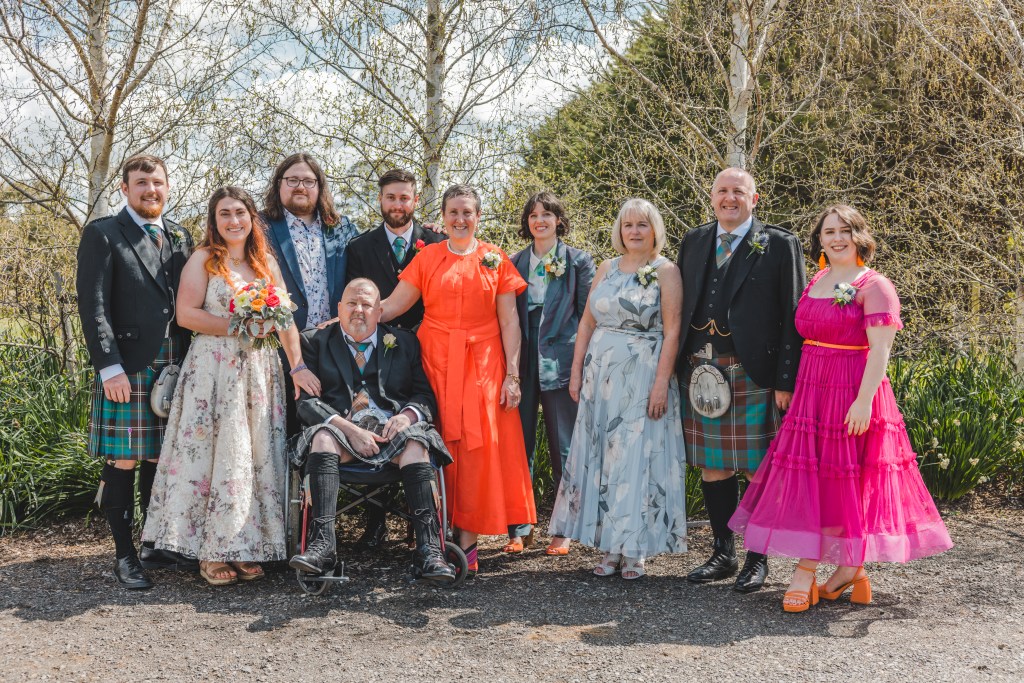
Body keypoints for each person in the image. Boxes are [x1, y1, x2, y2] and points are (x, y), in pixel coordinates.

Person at [729, 204, 953, 612]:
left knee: (836, 480)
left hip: (852, 391)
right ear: (820, 240)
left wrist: (864, 401)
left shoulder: (875, 285)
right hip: (813, 390)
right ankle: (851, 568)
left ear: (859, 236)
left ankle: (804, 571)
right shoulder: (818, 279)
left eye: (844, 231)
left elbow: (881, 350)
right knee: (814, 478)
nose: (836, 238)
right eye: (828, 232)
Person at [141, 187, 321, 586]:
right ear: (214, 220)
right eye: (224, 214)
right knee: (214, 456)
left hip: (259, 371)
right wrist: (240, 326)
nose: (233, 221)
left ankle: (244, 548)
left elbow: (286, 321)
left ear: (251, 217)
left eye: (239, 212)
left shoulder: (266, 263)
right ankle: (211, 552)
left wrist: (297, 366)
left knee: (251, 458)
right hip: (213, 371)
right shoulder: (204, 259)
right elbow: (187, 315)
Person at [380, 184, 536, 576]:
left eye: (467, 212)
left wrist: (512, 376)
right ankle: (433, 535)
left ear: (478, 216)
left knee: (476, 451)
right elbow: (395, 305)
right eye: (453, 212)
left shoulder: (494, 258)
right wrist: (354, 314)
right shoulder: (428, 256)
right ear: (444, 216)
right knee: (439, 442)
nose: (460, 219)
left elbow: (510, 321)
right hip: (434, 361)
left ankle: (467, 540)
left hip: (484, 364)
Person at [677, 167, 806, 594]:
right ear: (711, 197)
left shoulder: (779, 244)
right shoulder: (694, 241)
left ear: (755, 198)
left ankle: (757, 557)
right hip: (701, 370)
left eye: (738, 192)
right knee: (714, 466)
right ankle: (722, 552)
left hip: (754, 372)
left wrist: (786, 379)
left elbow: (793, 318)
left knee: (757, 469)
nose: (729, 198)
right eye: (722, 191)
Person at [548, 198, 687, 579]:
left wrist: (661, 383)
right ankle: (609, 546)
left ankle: (635, 549)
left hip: (643, 377)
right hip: (600, 378)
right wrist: (576, 372)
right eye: (628, 225)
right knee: (605, 460)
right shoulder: (606, 268)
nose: (635, 231)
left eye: (643, 224)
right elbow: (587, 324)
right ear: (620, 230)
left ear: (654, 229)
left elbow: (673, 331)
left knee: (636, 459)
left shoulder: (665, 271)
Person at [76, 154, 195, 590]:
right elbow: (92, 306)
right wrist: (109, 367)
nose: (151, 190)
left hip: (174, 364)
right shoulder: (103, 233)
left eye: (157, 182)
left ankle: (151, 544)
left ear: (167, 187)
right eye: (141, 182)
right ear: (124, 189)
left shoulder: (180, 236)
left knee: (157, 457)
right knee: (125, 457)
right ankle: (124, 556)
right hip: (128, 366)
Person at [287, 279, 456, 583]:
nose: (359, 310)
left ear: (380, 311)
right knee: (322, 438)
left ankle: (430, 551)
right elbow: (306, 405)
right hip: (341, 430)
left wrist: (406, 416)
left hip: (391, 431)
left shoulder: (404, 342)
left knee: (417, 444)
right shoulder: (314, 341)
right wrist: (349, 429)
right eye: (351, 303)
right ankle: (322, 546)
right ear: (339, 309)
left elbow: (424, 396)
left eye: (367, 304)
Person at [342, 168, 445, 550]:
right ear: (380, 201)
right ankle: (376, 520)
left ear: (416, 201)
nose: (398, 204)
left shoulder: (437, 240)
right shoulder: (359, 247)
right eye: (391, 198)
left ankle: (427, 524)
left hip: (429, 345)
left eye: (405, 198)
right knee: (377, 416)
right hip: (376, 348)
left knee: (421, 420)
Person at [508, 192, 595, 556]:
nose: (539, 220)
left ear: (559, 219)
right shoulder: (513, 262)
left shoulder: (578, 262)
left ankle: (564, 527)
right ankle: (519, 526)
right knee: (518, 445)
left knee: (564, 446)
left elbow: (588, 320)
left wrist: (581, 367)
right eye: (532, 214)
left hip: (562, 361)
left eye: (546, 214)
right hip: (523, 362)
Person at [261, 152, 357, 436]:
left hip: (332, 345)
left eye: (308, 180)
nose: (300, 186)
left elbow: (368, 260)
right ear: (279, 185)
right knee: (281, 428)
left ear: (319, 186)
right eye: (292, 180)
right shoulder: (259, 226)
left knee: (329, 427)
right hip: (277, 344)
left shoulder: (341, 227)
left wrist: (431, 235)